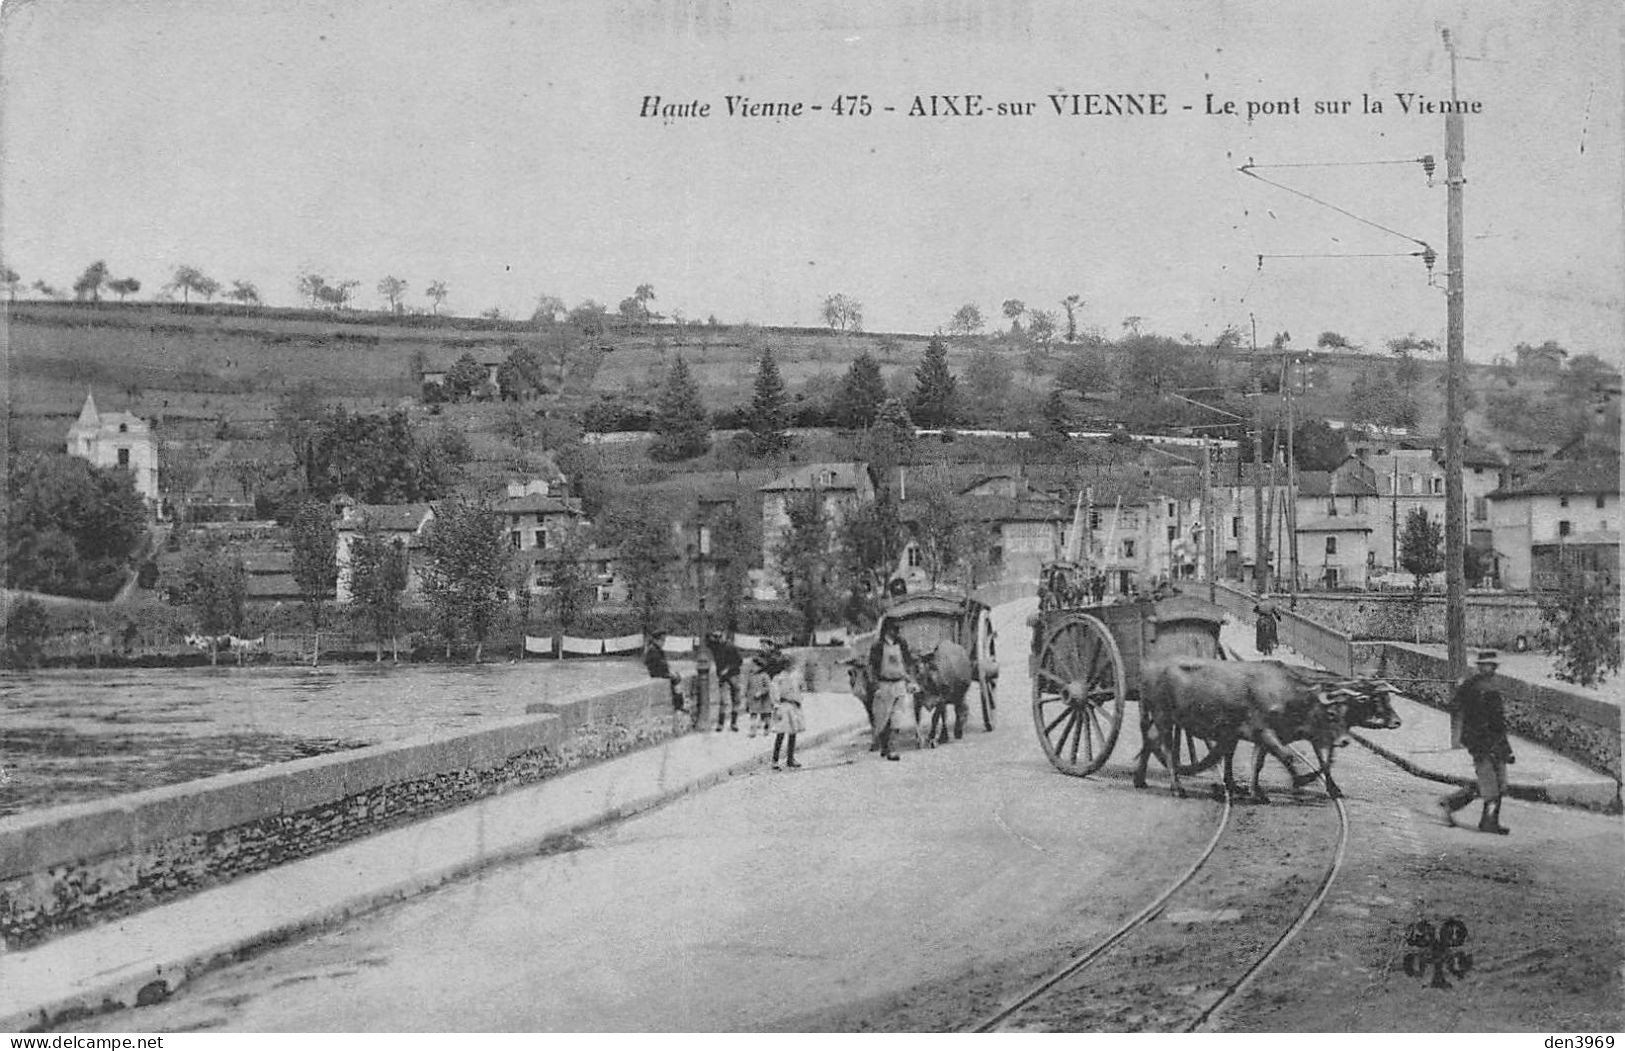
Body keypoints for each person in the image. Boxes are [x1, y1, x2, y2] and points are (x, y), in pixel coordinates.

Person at [1440, 650, 1515, 835]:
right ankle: (1488, 822)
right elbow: (1496, 721)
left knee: (1497, 784)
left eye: (1489, 664)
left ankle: (1452, 803)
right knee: (1492, 787)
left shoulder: (1476, 685)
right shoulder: (1481, 687)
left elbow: (1454, 705)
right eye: (1483, 664)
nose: (1487, 667)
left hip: (1490, 742)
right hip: (1483, 743)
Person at [867, 620, 915, 761]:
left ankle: (893, 749)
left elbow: (908, 662)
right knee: (884, 719)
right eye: (894, 629)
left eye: (897, 629)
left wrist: (911, 680)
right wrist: (875, 687)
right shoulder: (878, 646)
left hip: (899, 684)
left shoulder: (902, 644)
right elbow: (871, 668)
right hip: (884, 685)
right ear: (887, 630)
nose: (897, 632)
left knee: (897, 718)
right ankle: (885, 746)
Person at [768, 646, 805, 770]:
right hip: (784, 706)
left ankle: (790, 758)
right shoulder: (778, 678)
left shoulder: (795, 677)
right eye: (787, 664)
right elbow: (775, 694)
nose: (789, 666)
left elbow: (799, 689)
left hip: (793, 706)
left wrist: (799, 699)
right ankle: (775, 760)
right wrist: (776, 706)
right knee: (781, 733)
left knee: (793, 732)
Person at [747, 639, 790, 738]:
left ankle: (776, 723)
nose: (762, 647)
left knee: (775, 703)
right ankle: (765, 722)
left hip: (775, 681)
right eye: (761, 645)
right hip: (765, 681)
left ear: (771, 646)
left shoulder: (776, 656)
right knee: (766, 704)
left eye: (764, 645)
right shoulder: (761, 656)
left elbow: (780, 667)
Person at [643, 630, 685, 716]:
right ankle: (678, 704)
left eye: (663, 641)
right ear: (656, 640)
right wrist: (668, 672)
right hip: (657, 672)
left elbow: (663, 663)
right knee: (676, 679)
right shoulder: (653, 650)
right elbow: (659, 663)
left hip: (660, 671)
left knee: (677, 677)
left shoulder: (655, 649)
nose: (663, 643)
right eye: (661, 641)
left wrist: (670, 670)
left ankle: (679, 702)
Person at [708, 631, 743, 732]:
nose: (718, 639)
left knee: (735, 700)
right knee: (723, 700)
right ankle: (720, 724)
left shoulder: (731, 647)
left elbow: (740, 661)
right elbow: (706, 639)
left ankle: (734, 723)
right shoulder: (715, 647)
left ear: (724, 636)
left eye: (719, 636)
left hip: (734, 675)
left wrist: (728, 668)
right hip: (723, 677)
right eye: (716, 637)